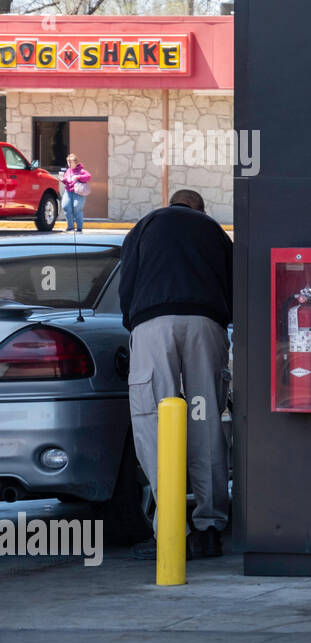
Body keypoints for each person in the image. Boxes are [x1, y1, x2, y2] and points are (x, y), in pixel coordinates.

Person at [119, 190, 233, 560]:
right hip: (205, 323)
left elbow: (127, 285)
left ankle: (171, 529)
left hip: (153, 325)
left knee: (154, 425)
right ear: (200, 208)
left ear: (171, 203)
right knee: (207, 422)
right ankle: (210, 526)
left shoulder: (145, 225)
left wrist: (134, 323)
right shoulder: (213, 229)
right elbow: (234, 284)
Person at [60, 154, 91, 233]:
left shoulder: (81, 171)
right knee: (66, 207)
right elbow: (66, 181)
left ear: (76, 162)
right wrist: (62, 179)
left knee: (77, 208)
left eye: (71, 162)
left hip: (78, 192)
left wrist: (78, 177)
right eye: (68, 162)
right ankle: (70, 227)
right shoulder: (68, 171)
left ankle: (79, 228)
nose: (69, 164)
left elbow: (88, 177)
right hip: (68, 191)